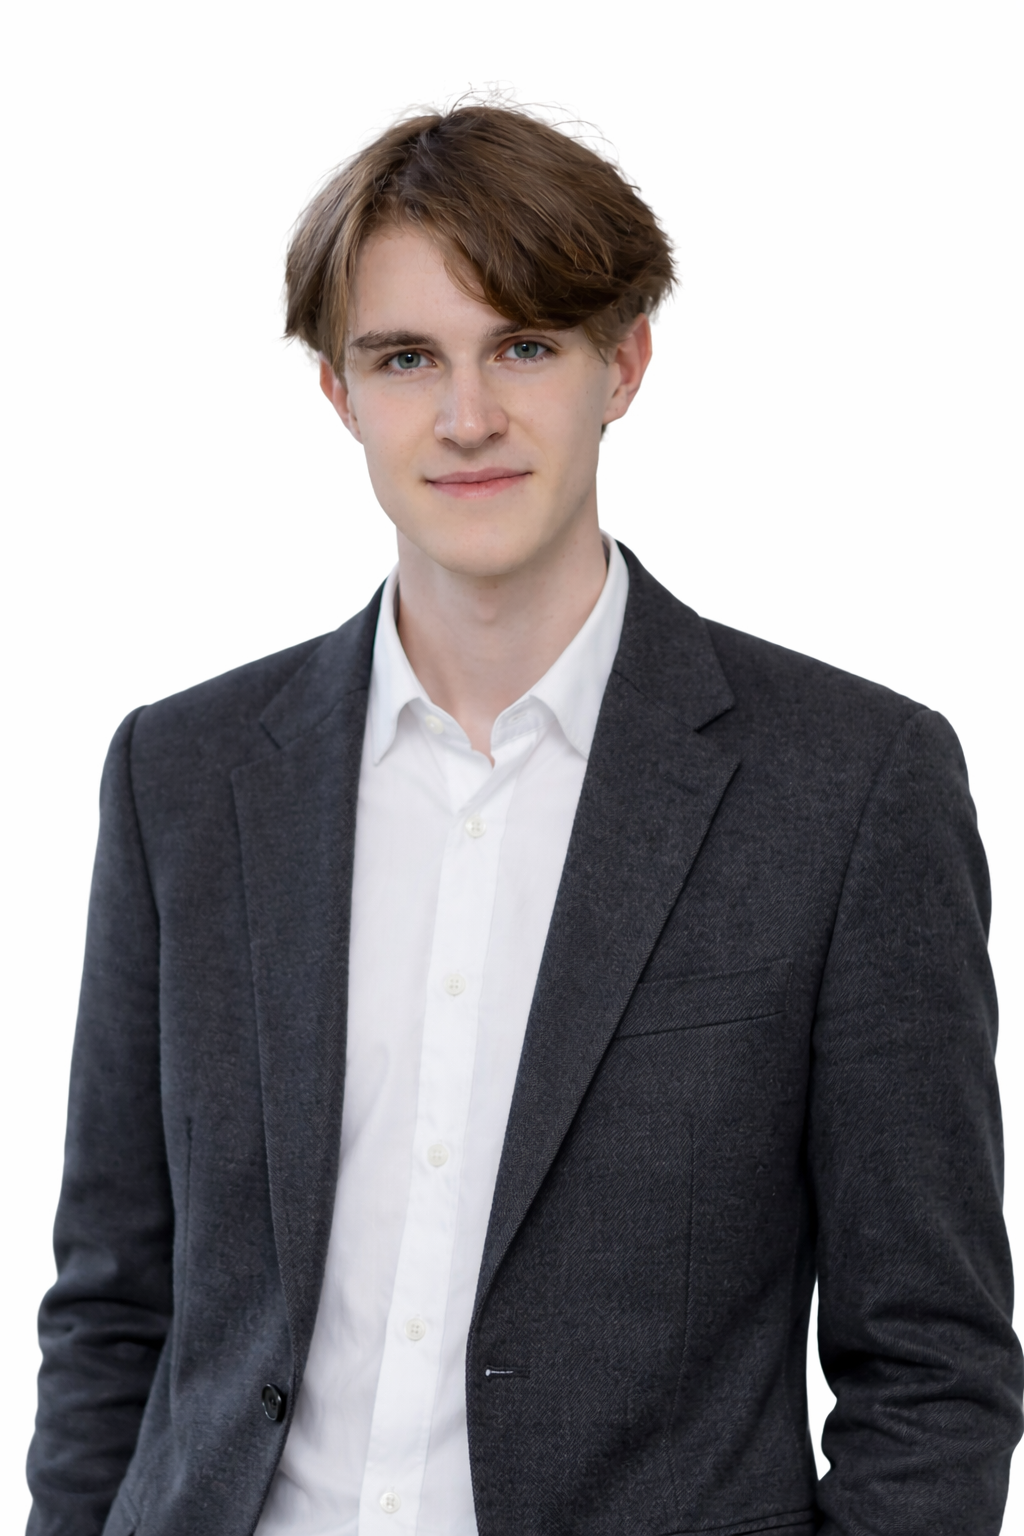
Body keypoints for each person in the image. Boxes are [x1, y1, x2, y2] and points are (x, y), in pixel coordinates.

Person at [26, 103, 1022, 1536]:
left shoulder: (851, 787)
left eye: (528, 347)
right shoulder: (184, 777)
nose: (469, 416)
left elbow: (932, 1363)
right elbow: (113, 1308)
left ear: (625, 365)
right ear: (338, 394)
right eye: (407, 357)